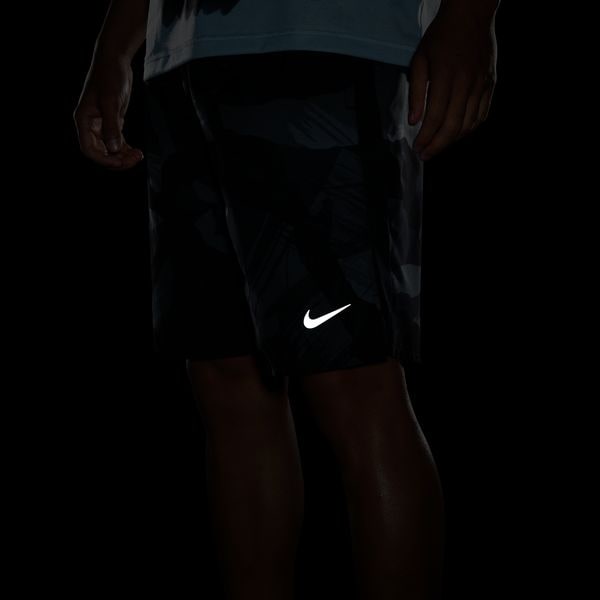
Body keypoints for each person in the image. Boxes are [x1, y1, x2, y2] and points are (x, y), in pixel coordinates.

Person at [73, 1, 500, 599]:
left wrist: (471, 16)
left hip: (326, 44)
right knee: (227, 378)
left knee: (351, 378)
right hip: (181, 58)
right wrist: (114, 48)